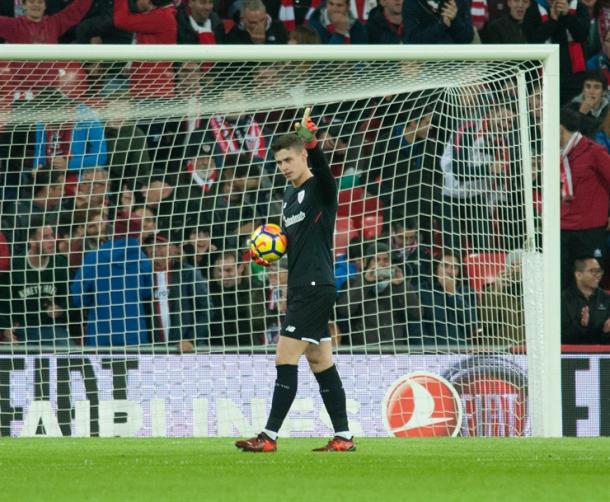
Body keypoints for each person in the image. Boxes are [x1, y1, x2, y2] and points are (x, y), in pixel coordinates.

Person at [235, 110, 355, 453]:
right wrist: (267, 253)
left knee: (284, 359)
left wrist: (313, 141)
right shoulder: (289, 197)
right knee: (320, 362)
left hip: (315, 286)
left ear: (303, 156)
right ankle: (343, 437)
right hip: (303, 285)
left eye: (289, 159)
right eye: (279, 162)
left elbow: (327, 173)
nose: (284, 166)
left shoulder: (320, 189)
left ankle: (268, 436)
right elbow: (290, 243)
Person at [70, 214, 153, 347]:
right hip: (135, 336)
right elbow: (146, 293)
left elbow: (77, 295)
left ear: (114, 232)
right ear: (138, 234)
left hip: (100, 335)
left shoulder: (94, 258)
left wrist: (94, 302)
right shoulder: (143, 261)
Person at [559, 107, 610, 288]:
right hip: (562, 229)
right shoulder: (553, 155)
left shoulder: (594, 151)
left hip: (589, 231)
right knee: (563, 285)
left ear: (559, 129)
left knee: (589, 286)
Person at [0, 218, 71, 346]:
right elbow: (3, 301)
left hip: (51, 328)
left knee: (68, 350)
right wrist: (6, 328)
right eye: (46, 237)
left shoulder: (60, 263)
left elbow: (68, 298)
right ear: (32, 241)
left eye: (52, 236)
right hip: (21, 328)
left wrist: (60, 309)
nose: (52, 241)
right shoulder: (15, 265)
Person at [336, 241, 421, 348]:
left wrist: (401, 285)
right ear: (367, 263)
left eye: (386, 260)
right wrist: (366, 282)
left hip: (395, 350)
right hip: (362, 351)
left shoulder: (399, 285)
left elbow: (417, 314)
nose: (382, 264)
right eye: (376, 260)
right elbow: (344, 310)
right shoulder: (352, 283)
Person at [144, 233, 211, 353]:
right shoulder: (143, 276)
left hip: (186, 349)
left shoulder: (188, 274)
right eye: (150, 245)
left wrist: (192, 339)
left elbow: (206, 309)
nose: (154, 249)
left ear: (174, 249)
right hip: (153, 349)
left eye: (160, 245)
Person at [419, 250, 480, 345]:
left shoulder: (468, 292)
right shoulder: (422, 291)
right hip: (431, 354)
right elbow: (417, 328)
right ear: (436, 268)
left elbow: (473, 325)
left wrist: (453, 294)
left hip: (461, 351)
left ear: (459, 272)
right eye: (445, 266)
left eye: (454, 267)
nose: (449, 271)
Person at [561, 256, 610, 343]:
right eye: (593, 271)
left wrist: (606, 333)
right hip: (571, 355)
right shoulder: (563, 300)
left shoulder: (606, 299)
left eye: (599, 271)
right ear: (579, 275)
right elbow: (561, 337)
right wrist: (581, 325)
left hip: (601, 355)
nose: (598, 275)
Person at [0, 0, 92, 43]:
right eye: (31, 2)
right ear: (24, 5)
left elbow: (77, 9)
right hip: (21, 81)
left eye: (40, 2)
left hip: (49, 80)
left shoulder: (54, 23)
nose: (36, 5)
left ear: (45, 6)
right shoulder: (13, 26)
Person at [402, 0, 474, 44]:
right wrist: (441, 25)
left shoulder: (459, 1)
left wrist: (454, 20)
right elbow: (411, 41)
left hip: (458, 61)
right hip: (425, 62)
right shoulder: (411, 3)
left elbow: (467, 38)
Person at [567, 70, 610, 137]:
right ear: (583, 90)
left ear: (604, 92)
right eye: (588, 86)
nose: (591, 91)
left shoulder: (608, 109)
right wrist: (581, 114)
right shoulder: (571, 107)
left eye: (596, 87)